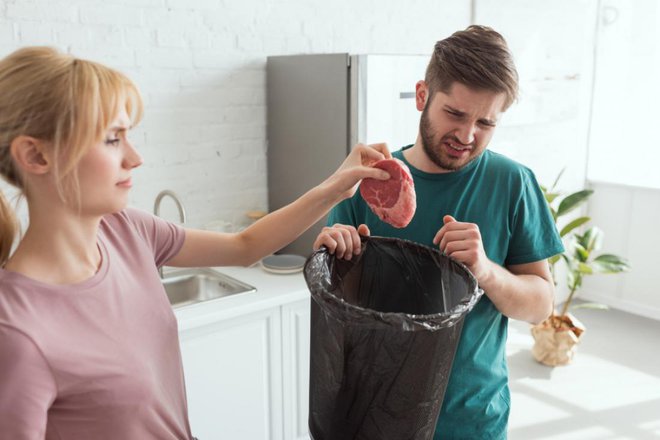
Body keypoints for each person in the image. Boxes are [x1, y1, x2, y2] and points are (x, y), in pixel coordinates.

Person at [0, 46, 391, 439]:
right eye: (112, 139)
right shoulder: (17, 331)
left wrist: (336, 187)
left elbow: (245, 246)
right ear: (35, 155)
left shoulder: (126, 231)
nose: (134, 157)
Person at [315, 25, 564, 439]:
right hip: (373, 414)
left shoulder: (513, 183)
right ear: (421, 96)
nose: (467, 137)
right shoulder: (368, 180)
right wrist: (335, 256)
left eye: (486, 122)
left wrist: (485, 270)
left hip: (471, 421)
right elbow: (337, 305)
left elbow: (540, 305)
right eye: (456, 114)